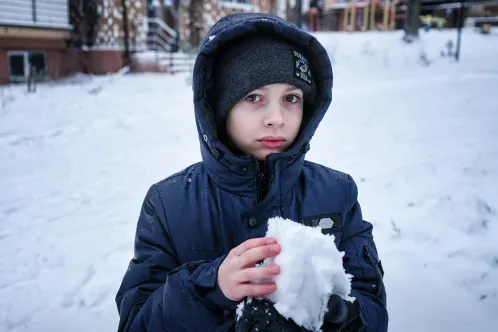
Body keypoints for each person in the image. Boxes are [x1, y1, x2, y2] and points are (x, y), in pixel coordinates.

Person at [115, 12, 388, 332]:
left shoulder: (337, 193)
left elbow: (372, 307)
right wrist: (210, 288)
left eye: (291, 98)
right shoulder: (168, 204)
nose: (277, 118)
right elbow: (136, 322)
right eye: (254, 97)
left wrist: (336, 315)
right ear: (219, 107)